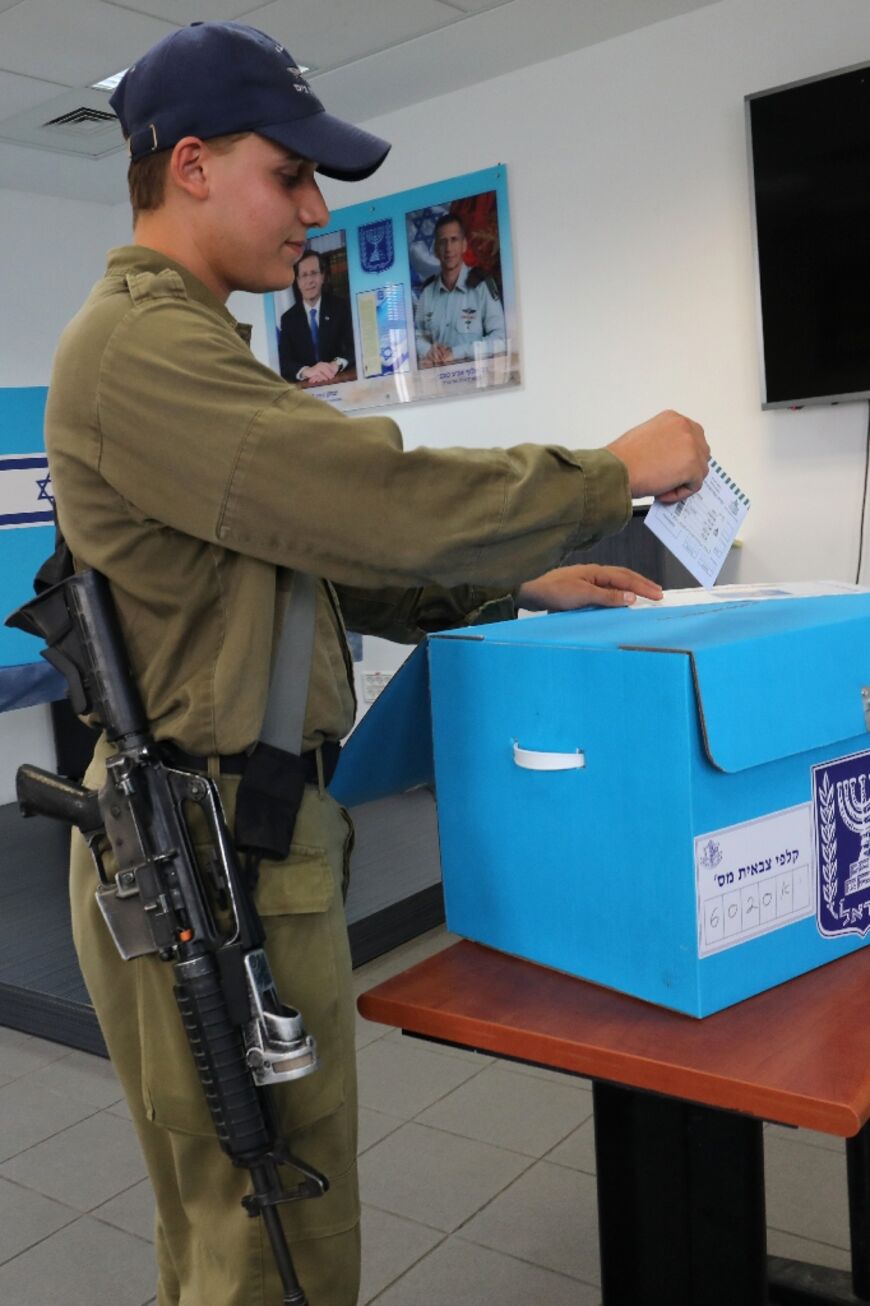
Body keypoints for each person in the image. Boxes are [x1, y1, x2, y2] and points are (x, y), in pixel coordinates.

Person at [44, 19, 709, 1306]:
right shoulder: (142, 351)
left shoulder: (192, 347)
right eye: (289, 175)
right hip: (210, 853)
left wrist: (515, 579)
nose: (310, 214)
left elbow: (320, 564)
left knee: (243, 1215)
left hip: (238, 838)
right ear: (189, 164)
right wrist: (614, 472)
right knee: (274, 1235)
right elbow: (378, 498)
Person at [414, 212, 506, 367]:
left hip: (476, 380)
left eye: (454, 240)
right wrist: (429, 350)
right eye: (443, 242)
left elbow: (499, 338)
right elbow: (417, 336)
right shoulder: (427, 293)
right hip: (439, 384)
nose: (448, 248)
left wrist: (457, 353)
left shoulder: (481, 286)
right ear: (436, 249)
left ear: (464, 245)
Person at [278, 247, 355, 384]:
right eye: (304, 275)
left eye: (314, 273)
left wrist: (335, 365)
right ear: (297, 281)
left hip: (339, 381)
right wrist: (307, 371)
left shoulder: (340, 307)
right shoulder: (288, 319)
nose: (310, 280)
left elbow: (353, 347)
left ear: (322, 277)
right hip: (307, 389)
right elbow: (284, 362)